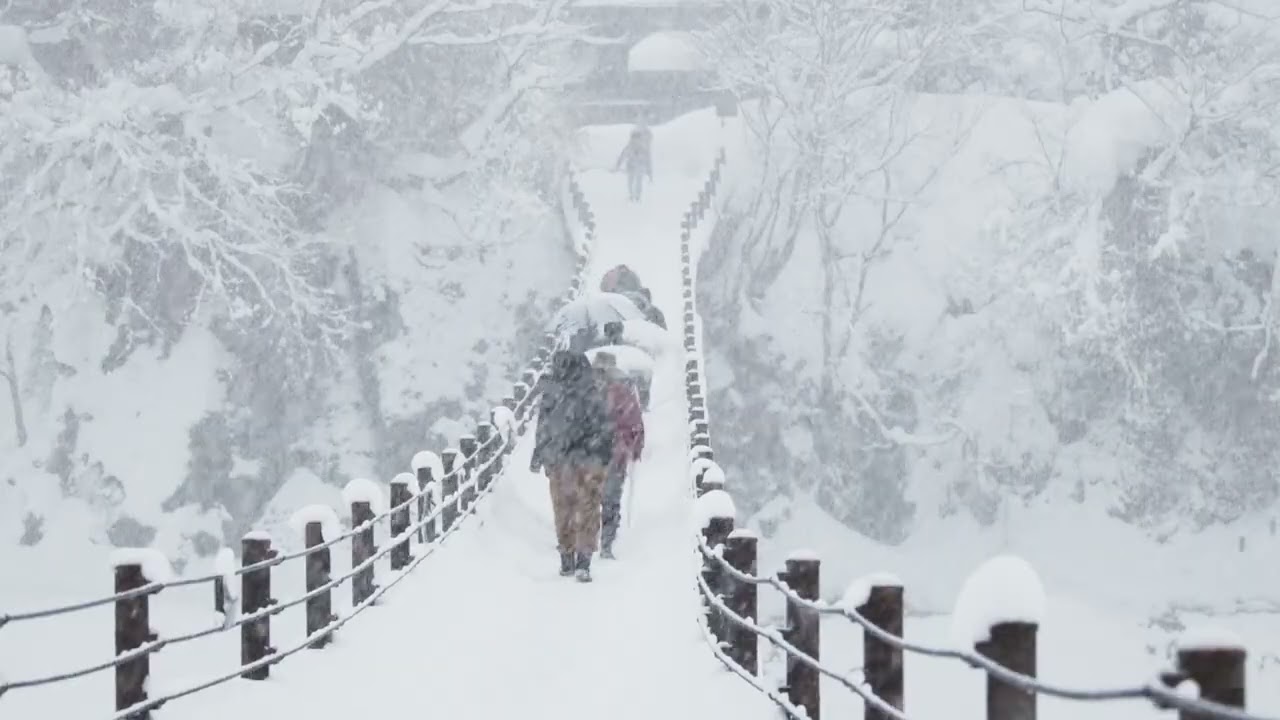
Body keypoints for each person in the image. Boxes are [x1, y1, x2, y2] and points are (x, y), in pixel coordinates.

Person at [530, 349, 615, 582]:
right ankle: (583, 560)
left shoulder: (552, 393)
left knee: (563, 509)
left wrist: (539, 457)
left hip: (560, 460)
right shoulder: (591, 392)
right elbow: (604, 426)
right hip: (589, 459)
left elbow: (543, 427)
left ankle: (567, 556)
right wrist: (605, 454)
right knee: (588, 508)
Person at [591, 352, 645, 559]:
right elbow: (636, 424)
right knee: (611, 499)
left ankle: (589, 540)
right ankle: (606, 542)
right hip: (616, 453)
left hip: (590, 453)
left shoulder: (585, 391)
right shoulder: (623, 394)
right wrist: (635, 446)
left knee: (590, 497)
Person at [615, 124, 653, 202]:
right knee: (632, 181)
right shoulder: (632, 146)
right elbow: (623, 155)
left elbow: (647, 159)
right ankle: (633, 196)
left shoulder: (640, 147)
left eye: (637, 137)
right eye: (634, 137)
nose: (635, 139)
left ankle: (635, 196)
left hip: (637, 167)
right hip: (633, 167)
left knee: (635, 181)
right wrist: (618, 164)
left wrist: (649, 171)